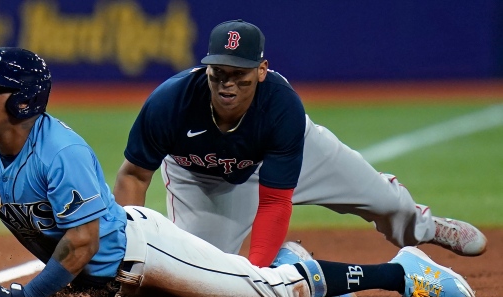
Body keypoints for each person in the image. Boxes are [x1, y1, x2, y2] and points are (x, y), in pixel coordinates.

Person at [0, 47, 476, 297]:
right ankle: (285, 261)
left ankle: (401, 271)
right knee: (227, 287)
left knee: (270, 295)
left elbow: (81, 242)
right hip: (115, 285)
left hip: (144, 253)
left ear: (23, 98)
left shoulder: (58, 151)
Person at [113, 19, 487, 271]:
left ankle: (426, 227)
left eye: (239, 75)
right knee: (202, 272)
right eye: (219, 73)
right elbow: (133, 175)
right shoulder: (170, 102)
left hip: (289, 154)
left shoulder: (281, 105)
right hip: (203, 180)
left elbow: (275, 202)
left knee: (385, 201)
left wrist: (256, 277)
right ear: (206, 68)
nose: (227, 84)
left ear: (261, 70)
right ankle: (290, 260)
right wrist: (127, 250)